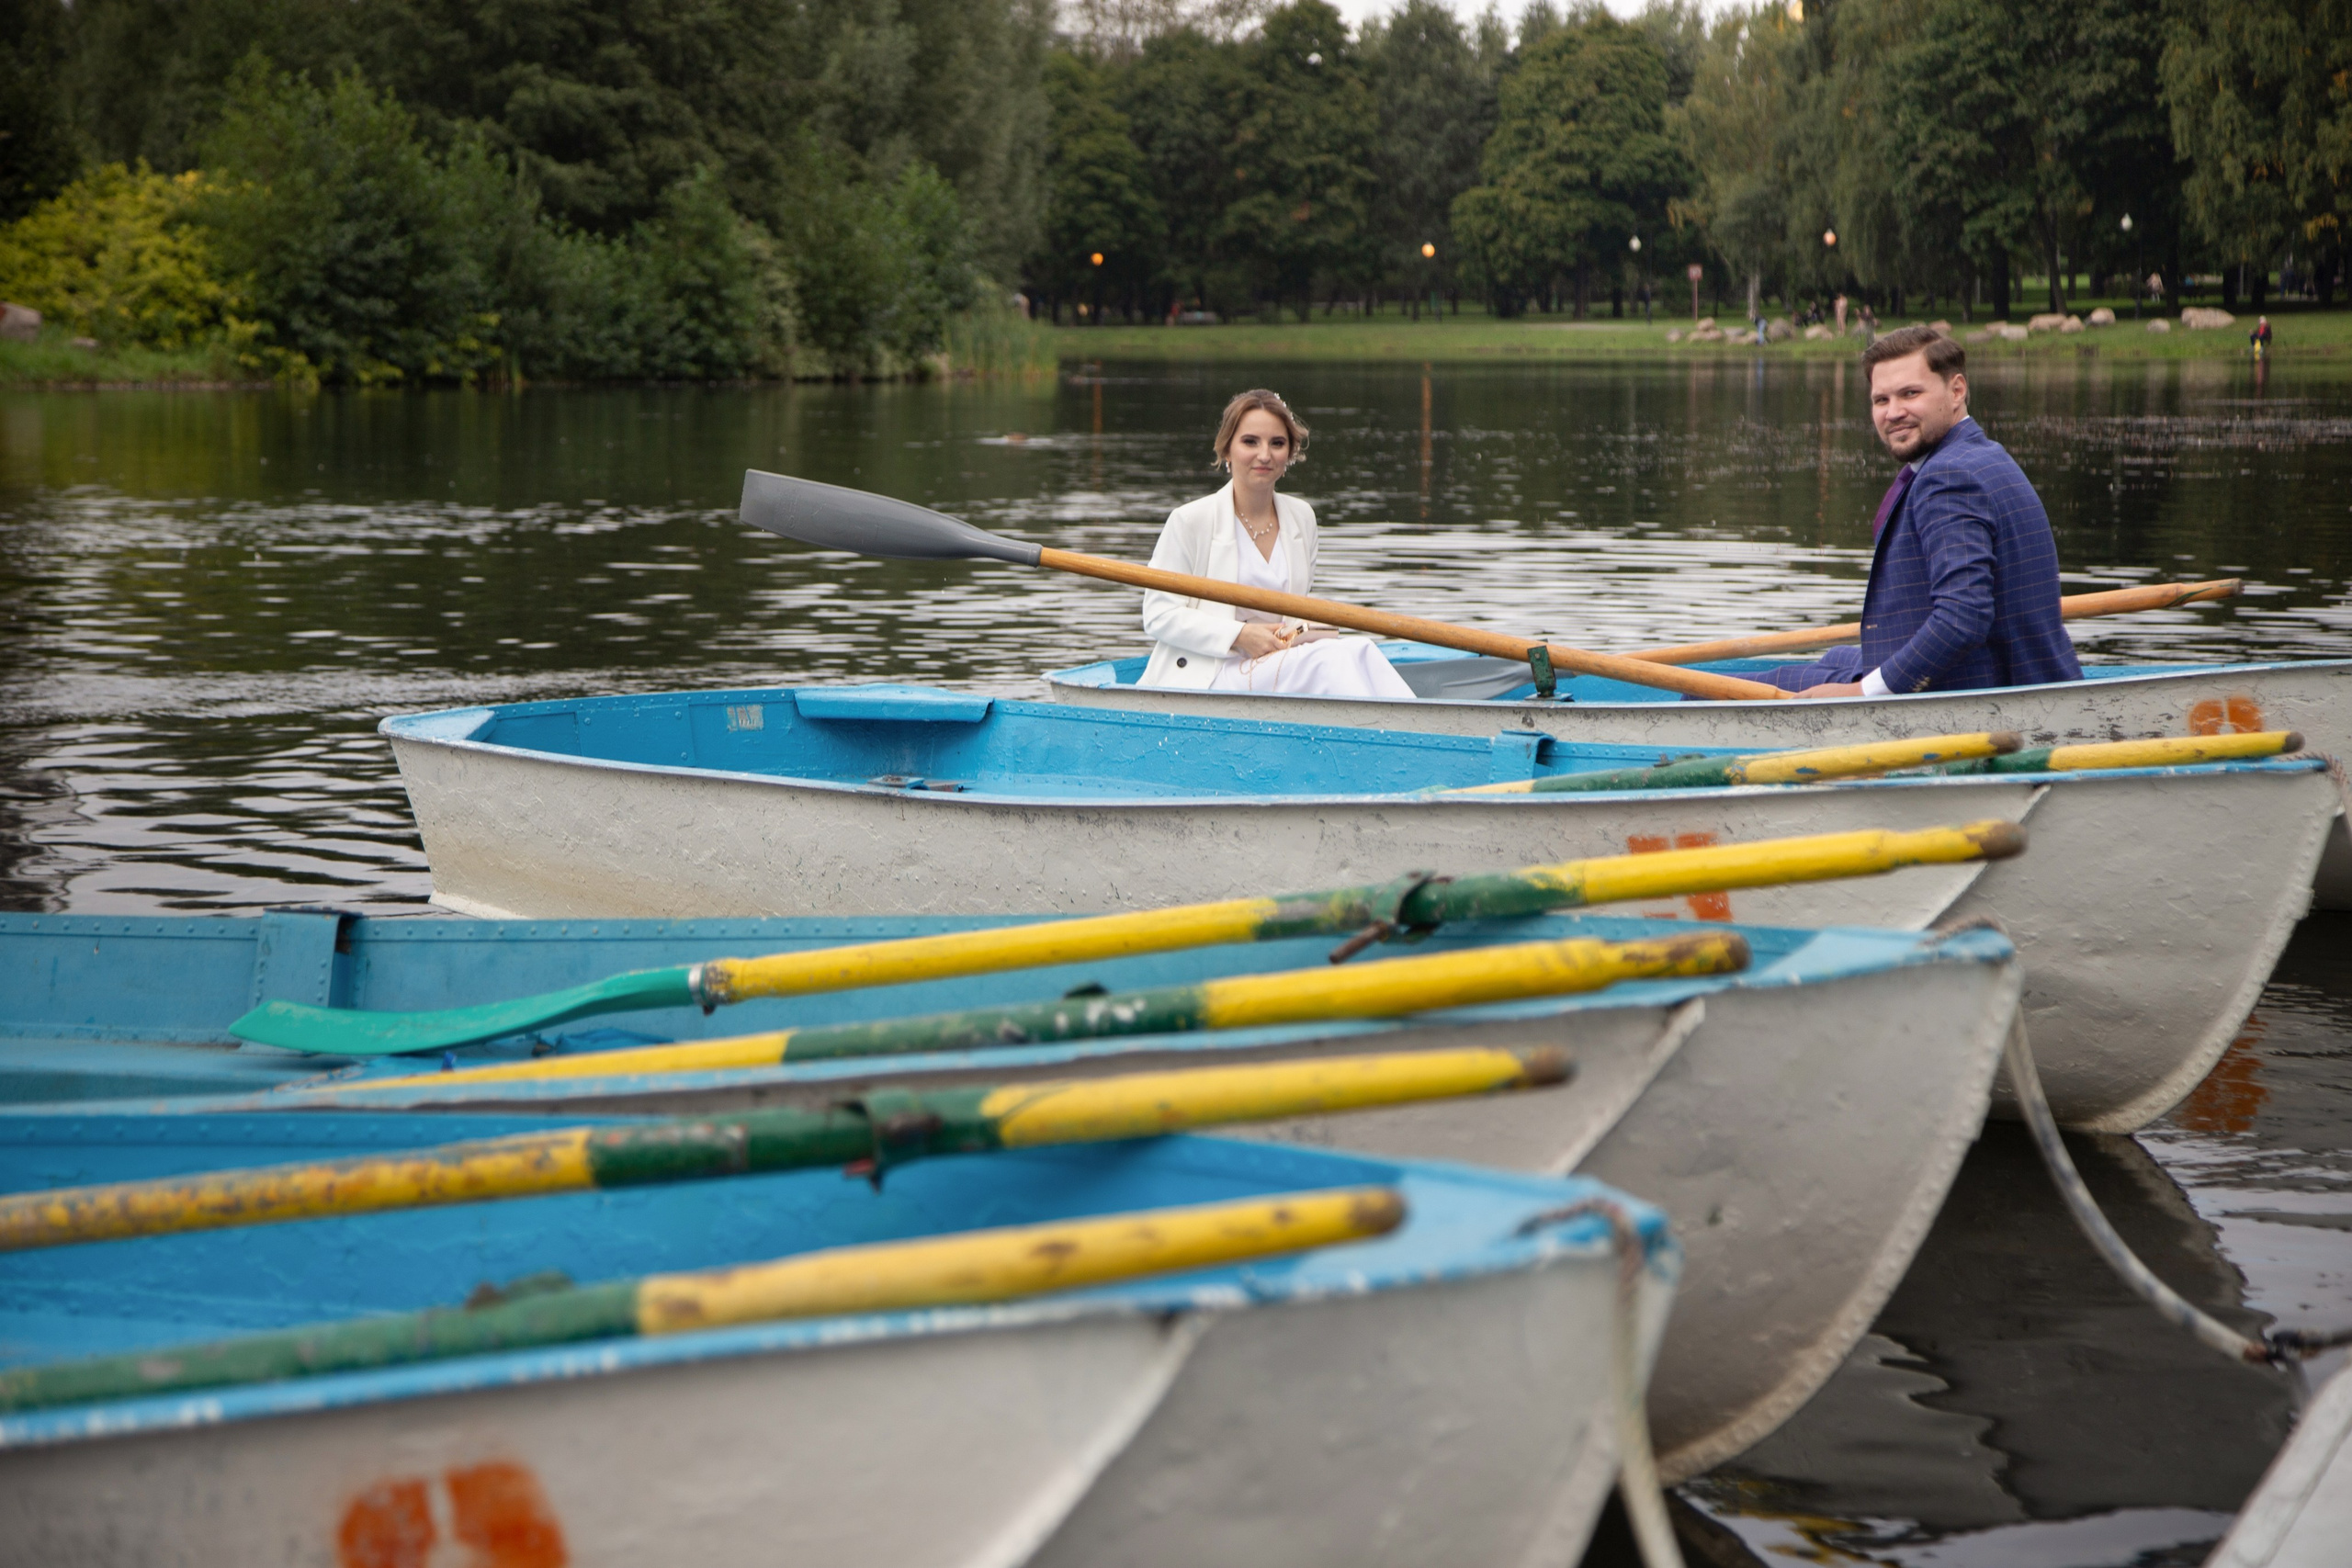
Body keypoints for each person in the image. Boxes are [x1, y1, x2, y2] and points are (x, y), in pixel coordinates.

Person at [1758, 325, 2081, 697]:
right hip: (2013, 674)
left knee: (1705, 692)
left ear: (1956, 391)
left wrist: (1863, 693)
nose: (1894, 413)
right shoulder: (1982, 455)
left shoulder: (1947, 477)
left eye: (1910, 394)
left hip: (1977, 696)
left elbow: (1963, 619)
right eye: (1881, 400)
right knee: (1834, 656)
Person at [1137, 389, 1414, 698]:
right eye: (1250, 441)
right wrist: (1240, 635)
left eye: (1277, 443)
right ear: (1227, 449)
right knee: (1328, 660)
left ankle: (1419, 730)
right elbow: (1159, 614)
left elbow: (1296, 610)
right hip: (1213, 673)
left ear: (1290, 453)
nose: (1265, 455)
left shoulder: (1302, 517)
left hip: (1278, 663)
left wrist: (1303, 631)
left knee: (1360, 648)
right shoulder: (1190, 520)